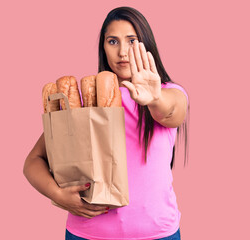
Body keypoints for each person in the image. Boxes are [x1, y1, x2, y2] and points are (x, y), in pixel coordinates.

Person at [24, 6, 189, 240]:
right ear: (103, 47)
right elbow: (32, 161)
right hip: (87, 234)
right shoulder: (85, 103)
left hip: (158, 235)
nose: (123, 52)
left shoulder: (169, 93)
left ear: (146, 45)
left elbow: (172, 112)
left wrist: (155, 98)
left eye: (132, 41)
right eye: (113, 41)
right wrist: (58, 195)